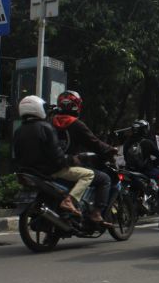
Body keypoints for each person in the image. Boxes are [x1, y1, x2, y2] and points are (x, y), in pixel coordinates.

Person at [13, 96, 111, 226]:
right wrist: (70, 160)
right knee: (89, 174)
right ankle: (70, 201)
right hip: (50, 170)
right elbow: (55, 153)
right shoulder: (45, 127)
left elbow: (17, 155)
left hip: (30, 171)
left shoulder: (19, 131)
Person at [51, 90, 116, 225]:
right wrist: (110, 149)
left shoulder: (50, 122)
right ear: (77, 106)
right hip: (65, 165)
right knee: (104, 179)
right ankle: (96, 213)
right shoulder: (76, 124)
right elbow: (94, 143)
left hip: (50, 165)